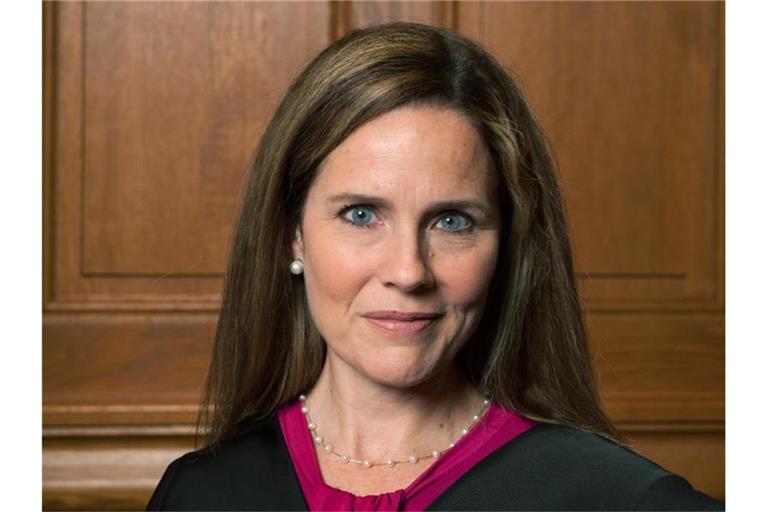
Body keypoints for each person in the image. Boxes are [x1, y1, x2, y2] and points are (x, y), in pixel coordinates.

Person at [146, 22, 723, 511]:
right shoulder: (201, 493)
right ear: (290, 235)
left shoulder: (617, 499)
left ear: (507, 246)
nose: (409, 271)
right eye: (361, 214)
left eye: (451, 221)